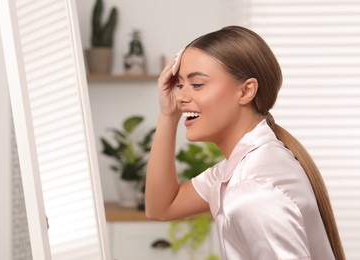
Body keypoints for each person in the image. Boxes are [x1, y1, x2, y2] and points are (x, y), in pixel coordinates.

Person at [145, 26, 345, 260]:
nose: (180, 96)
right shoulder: (243, 166)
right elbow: (162, 207)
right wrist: (168, 115)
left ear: (246, 90)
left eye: (197, 84)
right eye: (179, 84)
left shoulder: (253, 190)